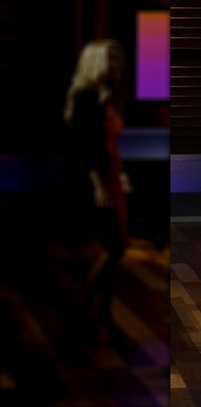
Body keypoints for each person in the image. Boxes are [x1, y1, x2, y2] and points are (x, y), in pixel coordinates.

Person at [59, 39, 131, 341]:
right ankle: (81, 312)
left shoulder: (108, 96)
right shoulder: (87, 97)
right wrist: (99, 183)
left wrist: (121, 175)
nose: (117, 65)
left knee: (116, 248)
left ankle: (103, 315)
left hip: (112, 174)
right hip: (96, 178)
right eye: (110, 60)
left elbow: (109, 143)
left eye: (118, 59)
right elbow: (84, 145)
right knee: (114, 246)